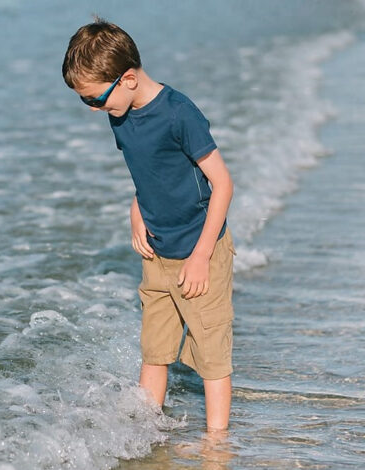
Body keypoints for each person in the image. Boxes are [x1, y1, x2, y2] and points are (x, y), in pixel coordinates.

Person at [62, 18, 237, 431]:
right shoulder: (120, 113)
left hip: (201, 250)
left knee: (211, 356)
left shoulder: (179, 114)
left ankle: (217, 445)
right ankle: (145, 433)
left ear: (126, 78)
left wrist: (200, 256)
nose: (93, 110)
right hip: (156, 252)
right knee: (154, 351)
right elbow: (148, 173)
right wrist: (135, 211)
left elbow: (223, 184)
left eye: (95, 100)